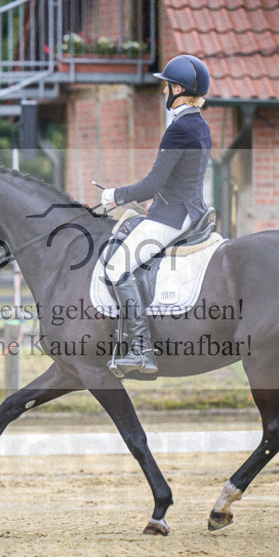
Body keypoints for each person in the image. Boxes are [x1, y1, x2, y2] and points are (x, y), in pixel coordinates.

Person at [100, 54, 212, 376]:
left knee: (116, 266)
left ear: (177, 89)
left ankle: (139, 348)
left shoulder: (179, 129)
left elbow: (152, 184)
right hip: (188, 210)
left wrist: (115, 195)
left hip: (172, 217)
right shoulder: (198, 123)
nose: (163, 92)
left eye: (166, 86)